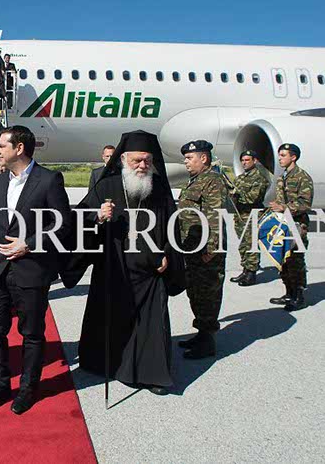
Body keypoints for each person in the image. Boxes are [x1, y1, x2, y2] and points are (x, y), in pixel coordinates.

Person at [61, 131, 186, 395]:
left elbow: (173, 226)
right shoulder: (106, 186)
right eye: (136, 161)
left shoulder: (159, 188)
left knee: (150, 325)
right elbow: (78, 219)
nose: (142, 166)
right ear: (123, 159)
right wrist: (97, 216)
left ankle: (151, 375)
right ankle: (102, 363)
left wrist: (167, 253)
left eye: (147, 161)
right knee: (109, 318)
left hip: (150, 271)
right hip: (113, 268)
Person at [0, 125, 72, 414]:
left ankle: (28, 388)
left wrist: (29, 244)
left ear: (19, 148)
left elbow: (63, 223)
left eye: (2, 145)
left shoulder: (49, 180)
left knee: (32, 333)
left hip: (31, 268)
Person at [177, 140, 227, 360]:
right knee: (195, 292)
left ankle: (208, 341)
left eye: (190, 158)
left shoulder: (213, 181)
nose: (186, 162)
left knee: (208, 293)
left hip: (206, 250)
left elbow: (215, 215)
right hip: (192, 249)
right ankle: (201, 334)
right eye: (185, 158)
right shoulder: (196, 180)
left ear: (204, 158)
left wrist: (212, 248)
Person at [268, 143, 313, 311]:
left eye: (283, 155)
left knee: (295, 261)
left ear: (293, 157)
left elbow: (305, 203)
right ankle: (289, 293)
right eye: (279, 155)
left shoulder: (302, 177)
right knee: (284, 260)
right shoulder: (283, 177)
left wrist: (283, 207)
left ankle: (299, 296)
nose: (280, 158)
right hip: (283, 225)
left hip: (297, 225)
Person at [228, 150, 270, 286]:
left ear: (255, 161)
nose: (244, 163)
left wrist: (236, 193)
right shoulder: (240, 178)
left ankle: (251, 273)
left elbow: (253, 198)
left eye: (247, 160)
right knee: (243, 244)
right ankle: (245, 270)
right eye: (243, 160)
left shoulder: (260, 178)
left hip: (252, 216)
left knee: (251, 245)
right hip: (240, 215)